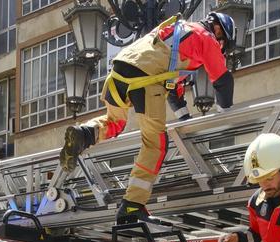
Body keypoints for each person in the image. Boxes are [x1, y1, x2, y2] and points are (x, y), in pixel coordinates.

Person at [59, 12, 236, 223]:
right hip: (144, 79)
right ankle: (132, 206)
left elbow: (174, 89)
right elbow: (223, 80)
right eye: (223, 44)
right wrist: (225, 115)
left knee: (115, 122)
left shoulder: (176, 32)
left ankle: (84, 134)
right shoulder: (206, 37)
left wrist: (184, 117)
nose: (221, 49)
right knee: (155, 143)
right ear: (218, 30)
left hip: (118, 72)